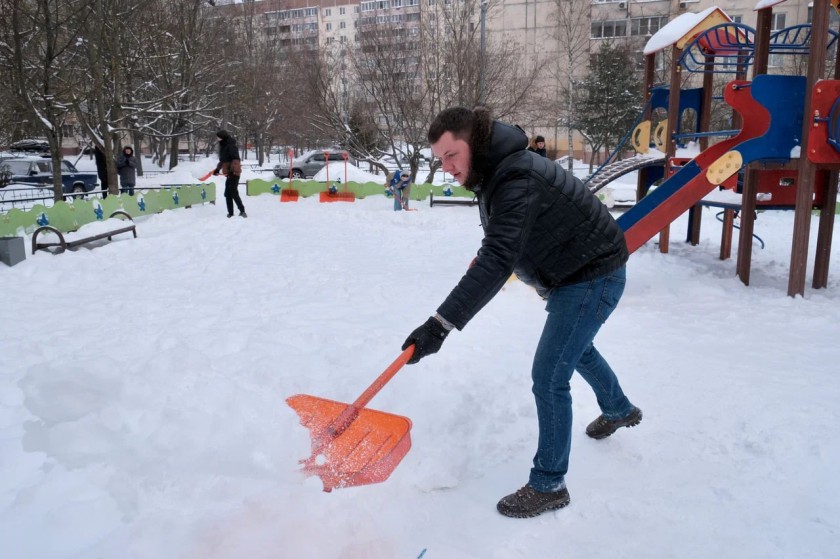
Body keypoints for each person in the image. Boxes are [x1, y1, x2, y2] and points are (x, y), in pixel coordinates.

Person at [401, 106, 641, 519]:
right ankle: (619, 408)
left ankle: (549, 484)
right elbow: (503, 240)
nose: (447, 167)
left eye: (452, 155)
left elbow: (499, 257)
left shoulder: (515, 176)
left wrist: (439, 325)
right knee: (575, 348)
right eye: (440, 159)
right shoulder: (494, 171)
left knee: (549, 375)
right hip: (573, 270)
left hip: (591, 273)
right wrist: (491, 258)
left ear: (473, 145)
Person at [213, 129, 247, 218]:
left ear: (222, 137)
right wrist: (217, 169)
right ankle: (230, 213)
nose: (217, 139)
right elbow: (223, 161)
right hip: (229, 174)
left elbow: (235, 160)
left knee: (233, 192)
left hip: (234, 173)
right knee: (228, 194)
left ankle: (242, 211)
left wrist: (233, 171)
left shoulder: (231, 146)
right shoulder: (223, 146)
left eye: (218, 137)